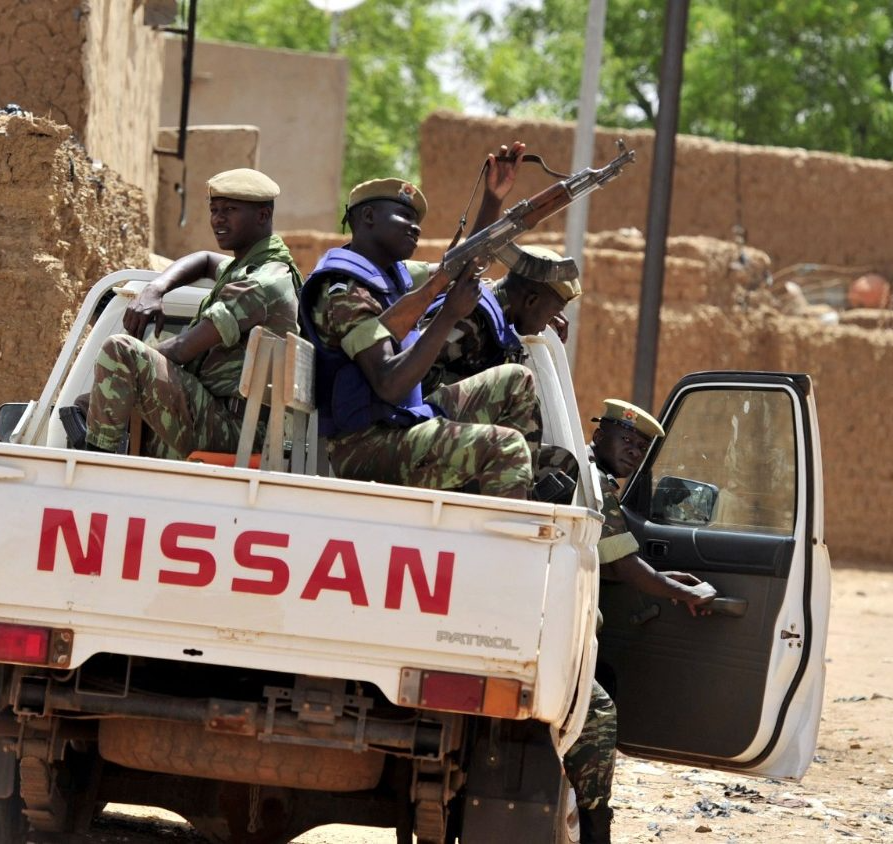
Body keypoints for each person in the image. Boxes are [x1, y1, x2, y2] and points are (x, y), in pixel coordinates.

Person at [299, 148, 542, 498]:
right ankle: (505, 522)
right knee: (506, 447)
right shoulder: (344, 292)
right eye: (404, 215)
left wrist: (493, 198)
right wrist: (449, 315)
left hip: (400, 421)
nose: (416, 227)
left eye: (417, 219)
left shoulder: (390, 275)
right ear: (368, 216)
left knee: (517, 381)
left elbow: (461, 265)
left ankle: (507, 491)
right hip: (367, 446)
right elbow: (389, 385)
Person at [565, 399, 717, 842]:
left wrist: (666, 579)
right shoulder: (592, 478)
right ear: (600, 435)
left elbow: (608, 559)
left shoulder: (589, 473)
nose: (634, 452)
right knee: (598, 714)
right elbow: (625, 566)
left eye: (641, 448)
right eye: (627, 440)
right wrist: (683, 593)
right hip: (559, 632)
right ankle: (595, 829)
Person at [77, 168, 301, 457]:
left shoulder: (259, 283)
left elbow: (182, 349)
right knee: (106, 398)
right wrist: (155, 289)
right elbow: (205, 260)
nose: (218, 219)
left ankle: (93, 464)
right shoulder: (256, 268)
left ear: (263, 215)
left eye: (230, 210)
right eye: (214, 210)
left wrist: (124, 373)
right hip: (232, 420)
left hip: (236, 430)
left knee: (120, 350)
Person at [418, 244, 581, 397]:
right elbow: (416, 373)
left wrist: (543, 312)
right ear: (531, 301)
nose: (546, 326)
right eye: (551, 315)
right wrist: (481, 389)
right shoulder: (472, 316)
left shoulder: (494, 303)